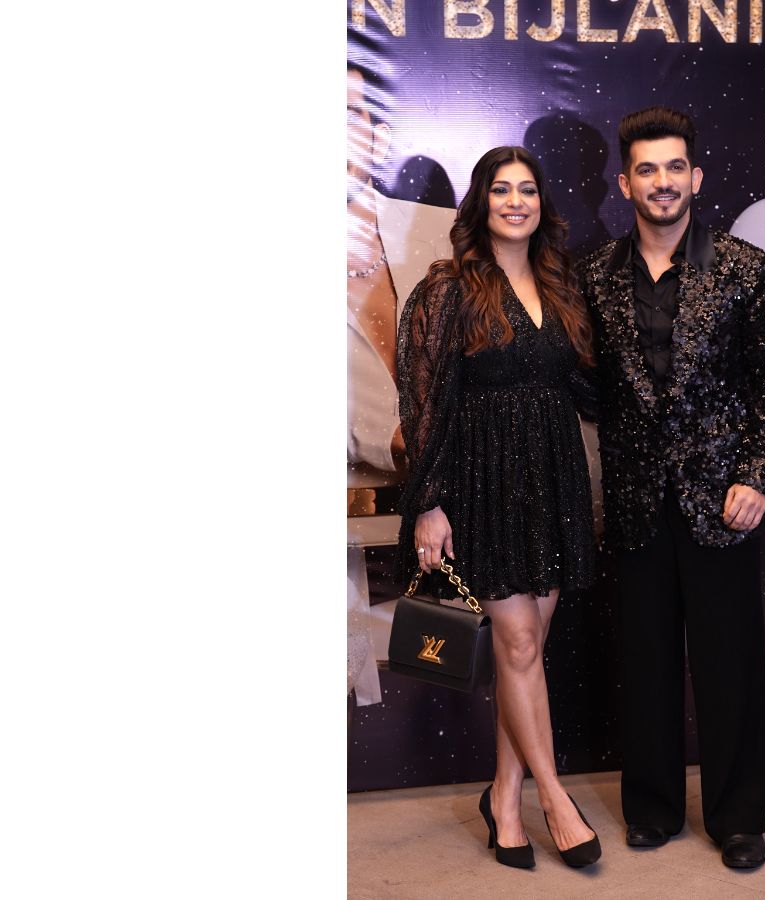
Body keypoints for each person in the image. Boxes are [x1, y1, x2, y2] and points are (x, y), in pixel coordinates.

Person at [579, 106, 765, 870]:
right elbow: (589, 388)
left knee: (729, 664)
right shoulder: (594, 276)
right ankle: (652, 808)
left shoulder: (745, 268)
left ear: (696, 176)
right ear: (625, 183)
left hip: (722, 502)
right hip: (635, 500)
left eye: (675, 167)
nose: (663, 181)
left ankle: (738, 818)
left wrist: (755, 475)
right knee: (644, 662)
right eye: (647, 169)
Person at [396, 146, 602, 869]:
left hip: (552, 482)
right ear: (481, 202)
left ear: (543, 203)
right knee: (516, 646)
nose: (516, 201)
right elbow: (422, 405)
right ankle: (556, 799)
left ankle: (504, 799)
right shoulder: (447, 289)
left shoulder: (561, 283)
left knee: (527, 652)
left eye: (528, 189)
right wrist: (429, 504)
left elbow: (586, 388)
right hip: (483, 485)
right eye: (502, 189)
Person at [346, 60, 455, 706]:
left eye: (347, 115)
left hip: (465, 501)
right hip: (354, 512)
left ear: (377, 133)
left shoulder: (441, 230)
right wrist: (388, 438)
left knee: (507, 658)